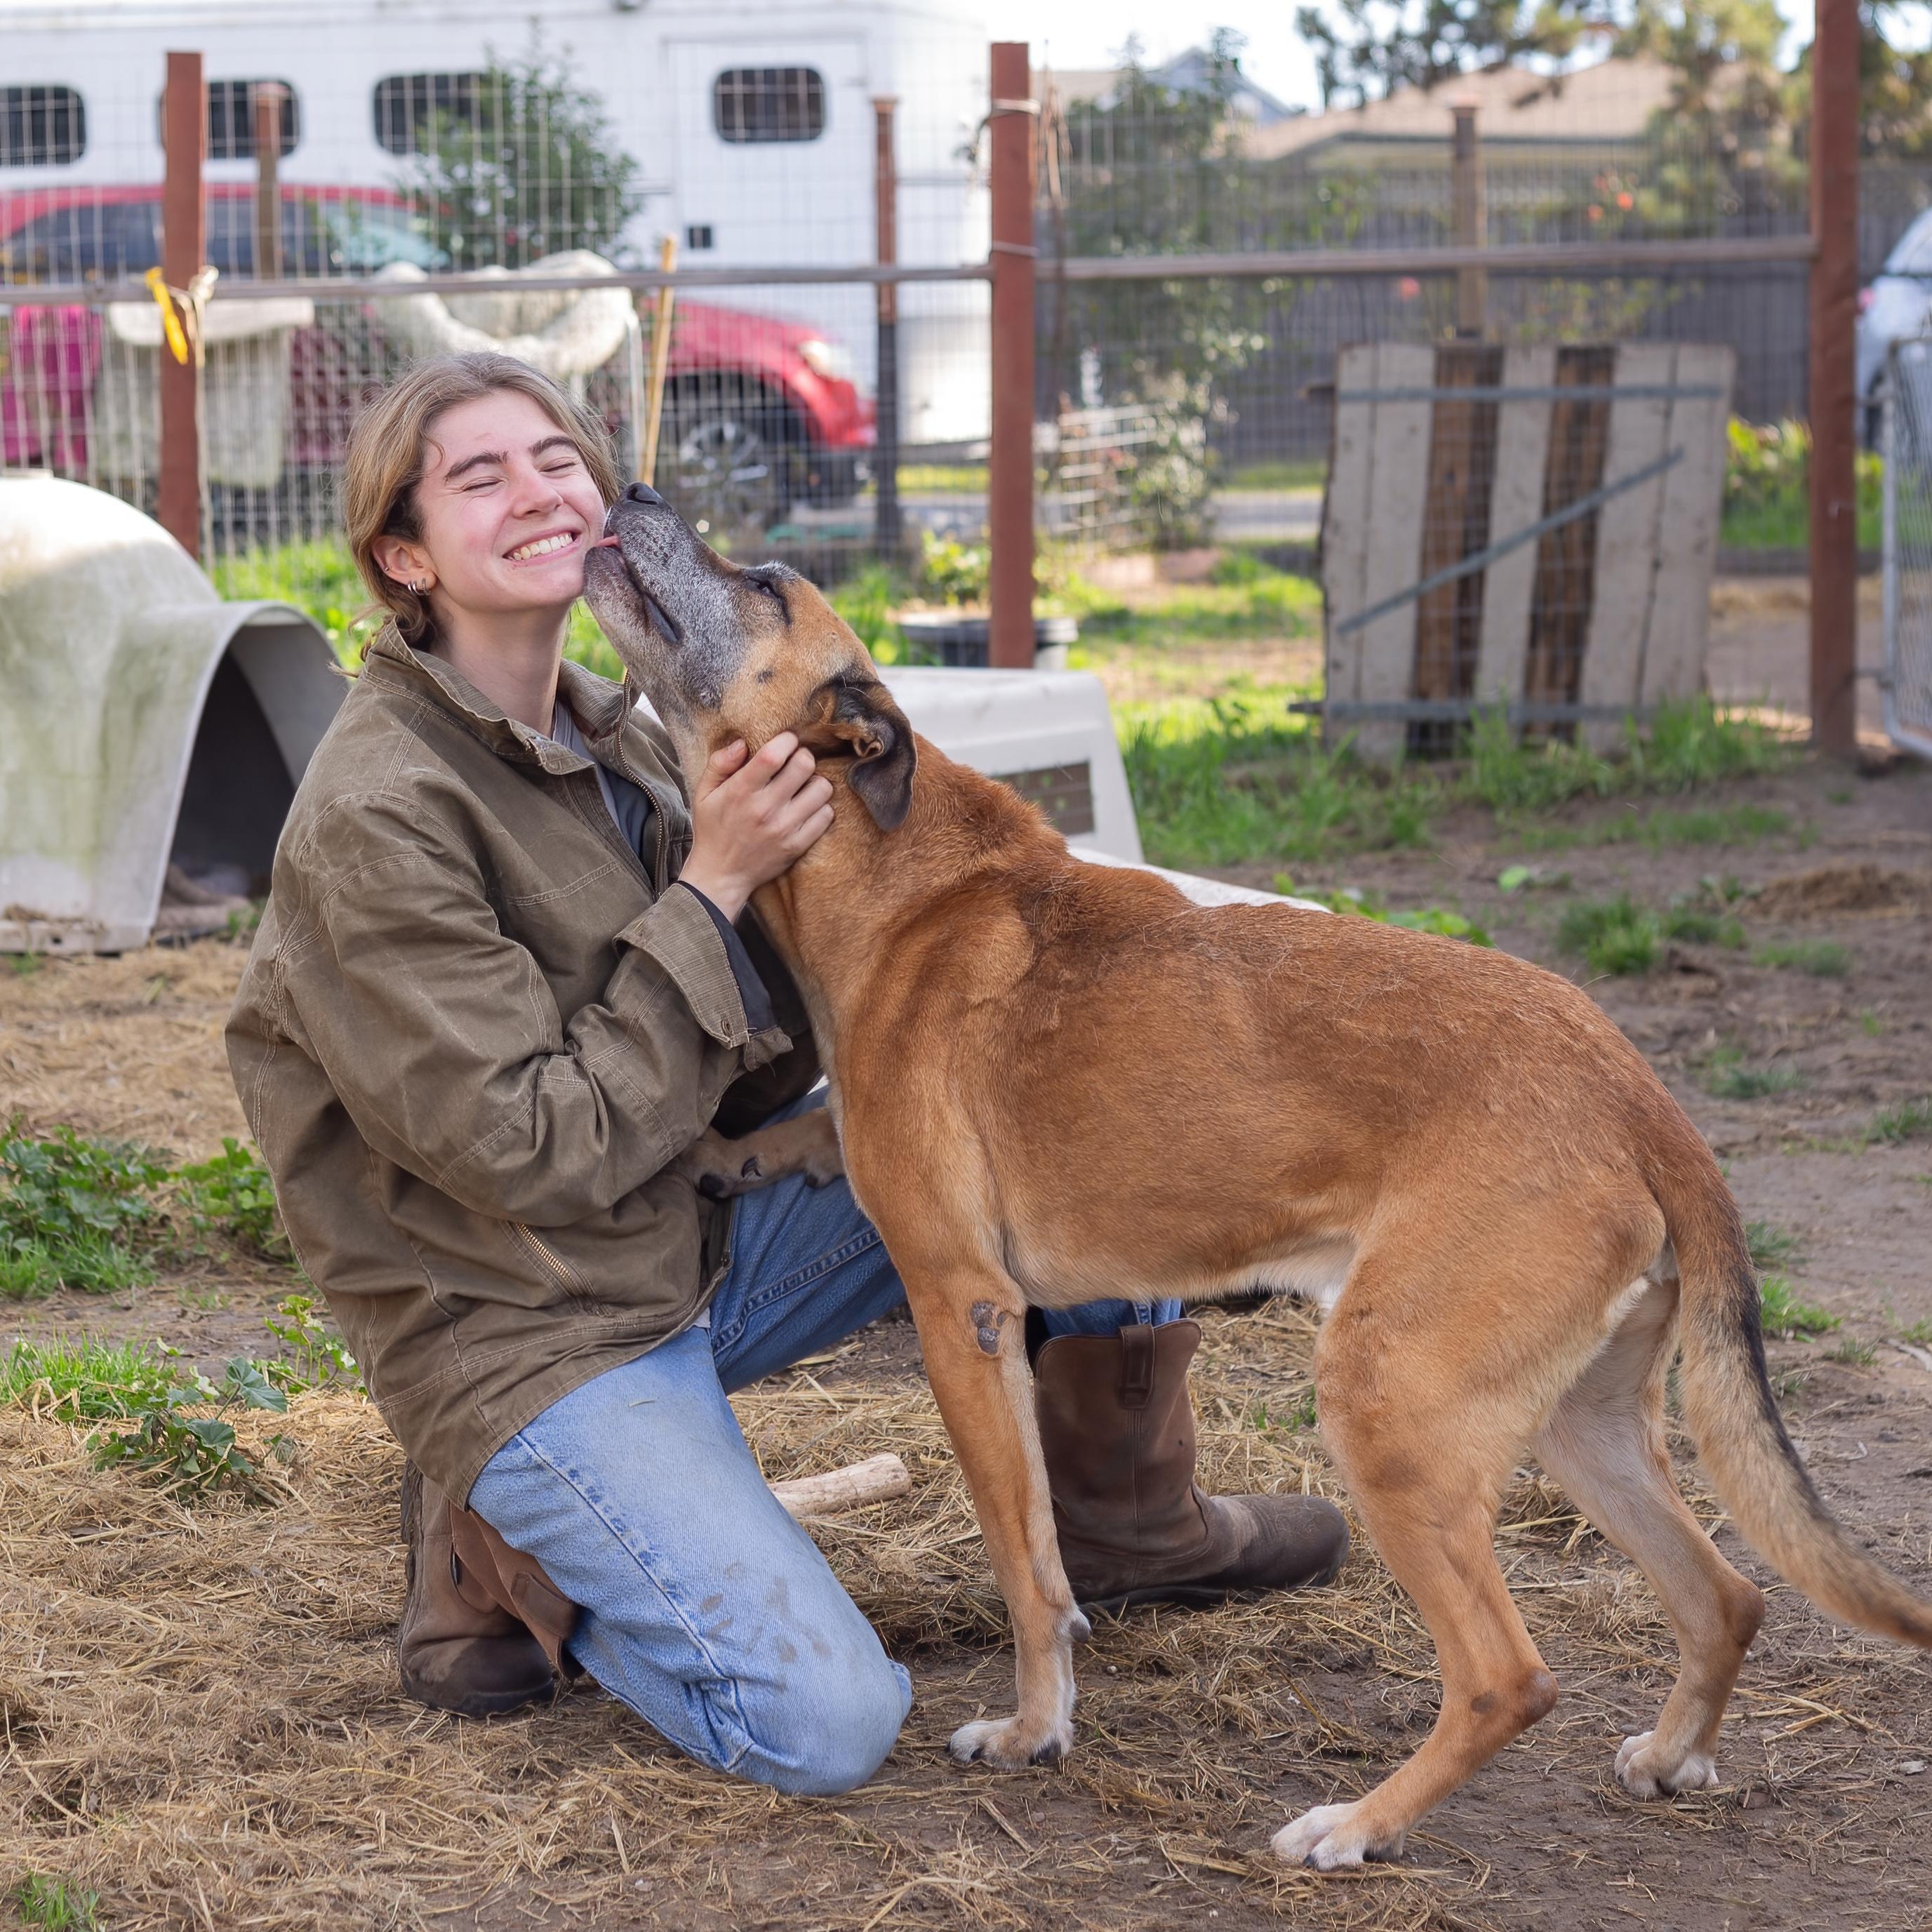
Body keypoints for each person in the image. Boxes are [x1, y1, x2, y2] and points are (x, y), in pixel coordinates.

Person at [226, 351, 1347, 1797]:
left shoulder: (621, 733)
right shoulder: (382, 816)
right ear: (404, 554)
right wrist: (711, 892)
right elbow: (531, 1149)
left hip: (691, 1235)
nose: (544, 490)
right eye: (480, 476)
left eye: (556, 458)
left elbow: (749, 1079)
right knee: (825, 1725)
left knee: (1070, 1105)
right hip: (527, 1321)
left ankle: (1132, 1523)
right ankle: (519, 1553)